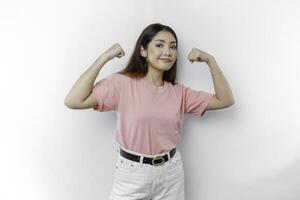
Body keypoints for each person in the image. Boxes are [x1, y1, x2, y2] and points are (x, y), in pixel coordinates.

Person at [64, 23, 235, 200]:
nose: (168, 51)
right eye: (159, 45)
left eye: (173, 47)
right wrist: (104, 57)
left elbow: (225, 100)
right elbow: (74, 100)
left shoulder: (179, 93)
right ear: (143, 51)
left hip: (171, 173)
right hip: (132, 174)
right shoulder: (121, 84)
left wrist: (211, 61)